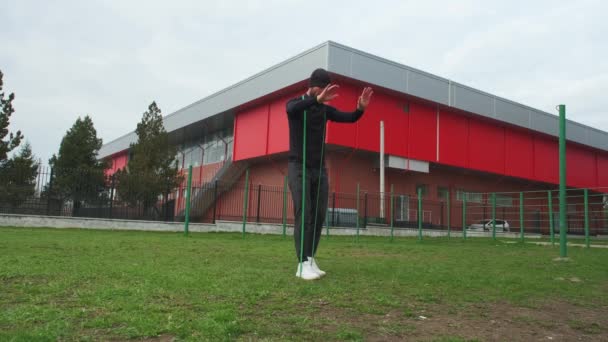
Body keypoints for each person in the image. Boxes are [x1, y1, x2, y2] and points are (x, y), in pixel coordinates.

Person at [286, 68, 373, 280]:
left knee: (318, 216)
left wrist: (360, 109)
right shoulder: (297, 104)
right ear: (313, 86)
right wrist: (315, 100)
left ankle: (310, 257)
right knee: (304, 212)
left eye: (327, 89)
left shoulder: (324, 110)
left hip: (319, 169)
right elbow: (291, 109)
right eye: (322, 88)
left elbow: (349, 118)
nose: (325, 93)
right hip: (299, 167)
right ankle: (302, 264)